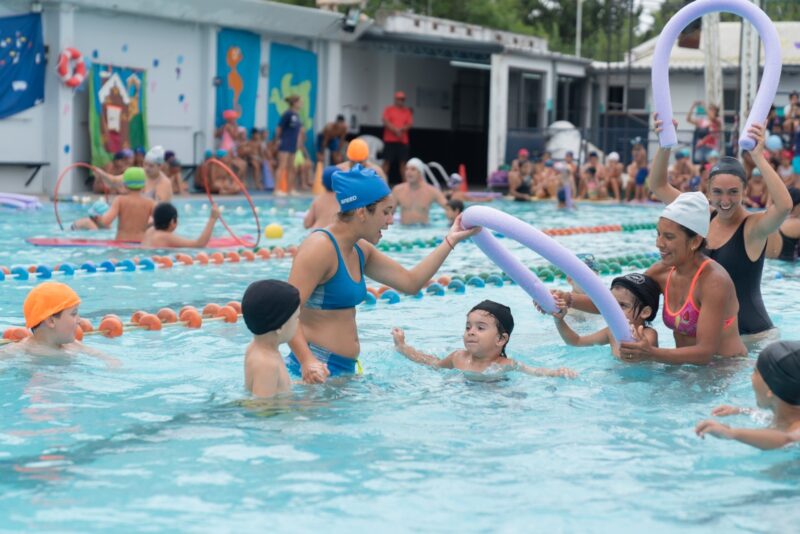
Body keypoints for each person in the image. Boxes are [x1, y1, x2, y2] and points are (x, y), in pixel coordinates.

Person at [286, 164, 478, 383]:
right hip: (313, 374)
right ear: (361, 212)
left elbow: (410, 282)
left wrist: (450, 240)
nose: (390, 221)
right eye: (385, 212)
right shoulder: (319, 248)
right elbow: (286, 313)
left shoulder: (360, 249)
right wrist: (307, 361)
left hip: (343, 371)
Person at [650, 114, 792, 337]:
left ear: (744, 191)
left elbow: (784, 207)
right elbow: (658, 186)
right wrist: (664, 144)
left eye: (733, 192)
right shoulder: (701, 216)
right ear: (707, 190)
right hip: (711, 335)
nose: (725, 201)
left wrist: (758, 158)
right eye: (717, 192)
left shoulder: (752, 228)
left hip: (751, 337)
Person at [392, 300, 576, 378]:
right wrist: (403, 347)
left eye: (480, 328)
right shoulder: (458, 357)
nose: (471, 332)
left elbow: (535, 371)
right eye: (468, 327)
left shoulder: (505, 365)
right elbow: (432, 363)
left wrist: (556, 372)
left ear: (501, 339)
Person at [695, 341, 800, 450]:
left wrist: (732, 433)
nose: (751, 377)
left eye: (755, 372)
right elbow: (764, 417)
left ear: (770, 388)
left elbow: (787, 440)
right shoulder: (782, 418)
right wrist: (738, 410)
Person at [1, 282, 120, 367]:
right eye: (74, 314)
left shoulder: (73, 345)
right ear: (51, 321)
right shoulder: (23, 350)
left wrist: (112, 364)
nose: (79, 320)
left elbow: (106, 357)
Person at [552, 273, 660, 358]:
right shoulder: (611, 331)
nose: (614, 310)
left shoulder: (649, 334)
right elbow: (576, 341)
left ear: (645, 312)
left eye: (622, 305)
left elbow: (633, 356)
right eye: (612, 303)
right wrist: (559, 321)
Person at [242, 280, 301, 398]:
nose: (299, 322)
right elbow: (262, 409)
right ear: (279, 327)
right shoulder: (267, 364)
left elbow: (275, 386)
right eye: (296, 318)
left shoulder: (257, 347)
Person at [95, 167, 155, 242]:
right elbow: (160, 223)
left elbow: (105, 222)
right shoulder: (150, 203)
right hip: (141, 243)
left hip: (122, 243)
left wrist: (97, 217)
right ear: (144, 185)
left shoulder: (119, 200)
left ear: (124, 185)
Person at [392, 157, 447, 225]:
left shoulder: (432, 191)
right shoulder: (397, 190)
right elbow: (389, 212)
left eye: (413, 169)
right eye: (407, 169)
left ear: (420, 173)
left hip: (423, 230)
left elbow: (448, 208)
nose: (408, 172)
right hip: (403, 231)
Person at [141, 202, 220, 248]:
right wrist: (212, 219)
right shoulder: (165, 236)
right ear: (172, 222)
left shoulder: (149, 231)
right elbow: (199, 244)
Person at [273, 95, 303, 195]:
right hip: (285, 143)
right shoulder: (287, 114)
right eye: (299, 101)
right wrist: (277, 140)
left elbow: (298, 131)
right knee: (282, 166)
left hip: (293, 145)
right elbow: (279, 128)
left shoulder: (297, 115)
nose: (301, 103)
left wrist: (298, 143)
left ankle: (290, 189)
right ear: (294, 103)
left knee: (292, 167)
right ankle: (277, 190)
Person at [382, 90, 413, 182]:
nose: (401, 101)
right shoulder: (389, 109)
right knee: (386, 162)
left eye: (403, 99)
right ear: (395, 99)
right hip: (390, 140)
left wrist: (401, 129)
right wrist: (395, 130)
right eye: (399, 99)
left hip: (402, 141)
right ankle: (380, 183)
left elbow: (409, 124)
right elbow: (385, 121)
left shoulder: (407, 111)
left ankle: (406, 185)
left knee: (403, 164)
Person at [766, 187, 800, 261]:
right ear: (797, 206)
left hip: (770, 267)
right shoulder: (797, 224)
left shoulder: (769, 222)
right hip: (790, 269)